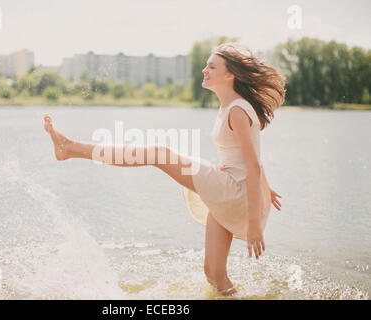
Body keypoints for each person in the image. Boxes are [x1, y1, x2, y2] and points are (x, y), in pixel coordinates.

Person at [43, 42, 284, 296]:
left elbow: (253, 165)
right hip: (234, 189)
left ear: (229, 74)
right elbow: (253, 159)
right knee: (213, 273)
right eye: (206, 65)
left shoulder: (236, 109)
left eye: (211, 66)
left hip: (236, 191)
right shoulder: (232, 106)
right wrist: (265, 189)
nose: (204, 70)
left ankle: (69, 147)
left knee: (158, 153)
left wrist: (255, 222)